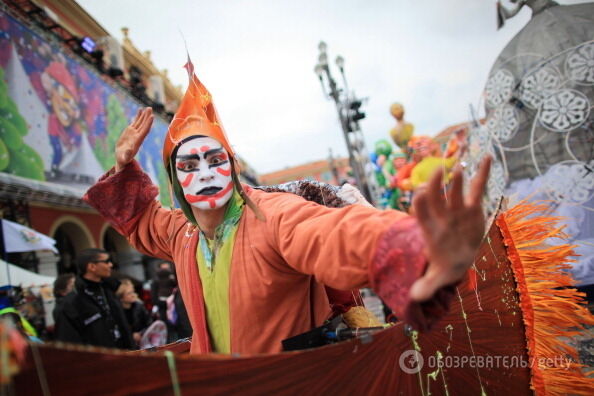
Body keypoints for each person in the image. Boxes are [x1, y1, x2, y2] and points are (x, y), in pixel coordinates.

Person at [83, 61, 491, 355]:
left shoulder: (271, 215)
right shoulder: (182, 233)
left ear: (233, 168)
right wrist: (123, 167)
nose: (204, 172)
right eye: (188, 166)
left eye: (214, 159)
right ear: (176, 181)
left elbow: (334, 234)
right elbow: (142, 219)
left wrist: (416, 242)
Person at [54, 249, 134, 349]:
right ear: (92, 266)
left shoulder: (108, 291)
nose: (110, 265)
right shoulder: (72, 301)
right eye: (106, 262)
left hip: (123, 355)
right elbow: (69, 341)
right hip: (98, 360)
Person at [116, 279, 151, 348]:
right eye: (129, 293)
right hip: (126, 347)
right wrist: (130, 335)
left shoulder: (139, 306)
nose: (133, 295)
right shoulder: (117, 311)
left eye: (133, 292)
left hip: (142, 344)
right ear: (121, 298)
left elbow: (149, 323)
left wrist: (140, 334)